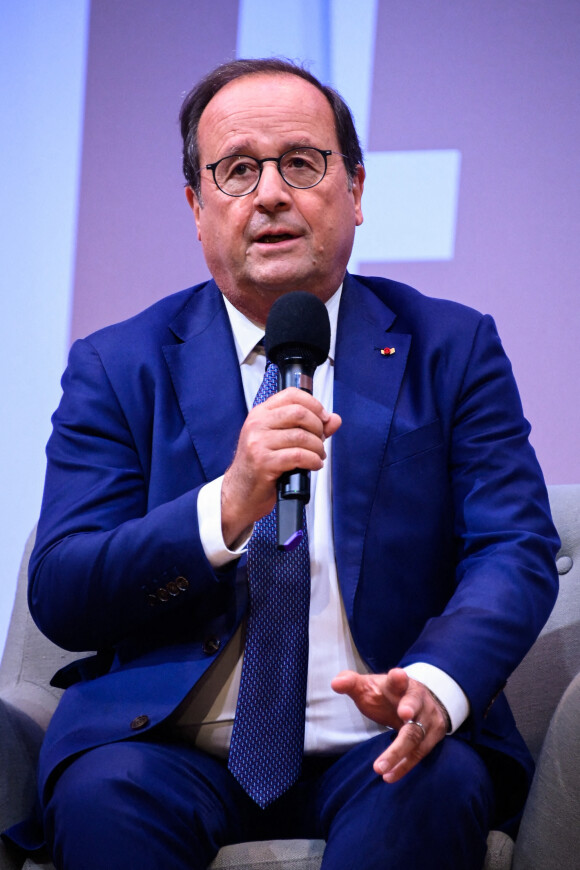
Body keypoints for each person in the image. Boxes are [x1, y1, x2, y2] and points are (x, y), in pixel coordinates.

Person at [17, 58, 560, 868]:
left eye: (301, 163)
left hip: (386, 742)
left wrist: (438, 686)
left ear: (357, 190)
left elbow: (513, 548)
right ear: (197, 209)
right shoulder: (118, 365)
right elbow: (63, 587)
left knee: (432, 786)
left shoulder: (452, 346)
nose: (270, 193)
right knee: (105, 796)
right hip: (167, 746)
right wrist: (225, 508)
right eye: (237, 171)